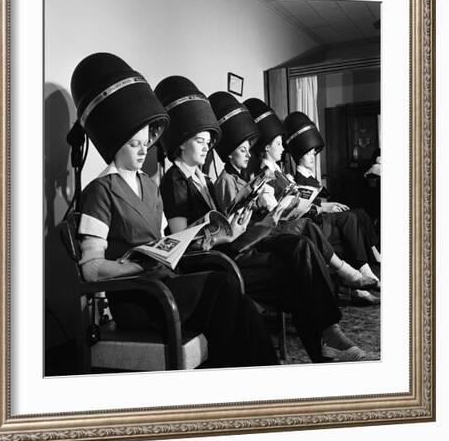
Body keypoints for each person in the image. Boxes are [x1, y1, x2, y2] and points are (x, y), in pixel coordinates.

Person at [70, 52, 279, 368]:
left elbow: (166, 240)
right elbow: (91, 268)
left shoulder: (151, 186)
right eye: (133, 145)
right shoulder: (100, 191)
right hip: (138, 297)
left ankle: (263, 381)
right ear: (114, 142)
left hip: (167, 281)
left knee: (242, 305)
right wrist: (138, 268)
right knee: (222, 289)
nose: (143, 151)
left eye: (145, 143)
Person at [156, 79, 371, 362]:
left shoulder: (203, 179)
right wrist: (222, 233)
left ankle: (328, 340)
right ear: (181, 144)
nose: (207, 148)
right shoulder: (174, 181)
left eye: (209, 143)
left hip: (232, 248)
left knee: (300, 251)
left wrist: (238, 215)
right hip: (217, 261)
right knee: (298, 269)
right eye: (200, 141)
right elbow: (181, 241)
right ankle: (327, 343)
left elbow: (220, 220)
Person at [244, 98, 379, 300]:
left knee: (350, 217)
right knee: (342, 220)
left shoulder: (279, 172)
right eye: (279, 144)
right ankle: (354, 276)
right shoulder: (265, 174)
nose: (283, 148)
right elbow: (276, 211)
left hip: (301, 218)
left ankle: (360, 274)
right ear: (266, 148)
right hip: (292, 224)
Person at [283, 111, 381, 304]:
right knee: (351, 217)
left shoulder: (307, 176)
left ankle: (366, 267)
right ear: (300, 155)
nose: (313, 157)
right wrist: (326, 206)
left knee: (357, 213)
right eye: (309, 154)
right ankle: (363, 271)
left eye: (313, 154)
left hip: (317, 213)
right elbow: (304, 203)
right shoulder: (296, 178)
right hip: (311, 219)